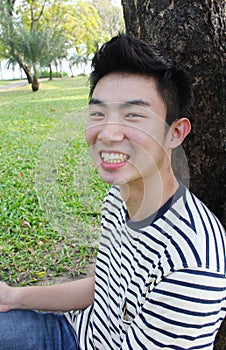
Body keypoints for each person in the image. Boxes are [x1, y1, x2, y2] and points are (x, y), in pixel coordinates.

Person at [0, 34, 225, 350]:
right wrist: (13, 296)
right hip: (72, 333)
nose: (107, 132)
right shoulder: (117, 199)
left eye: (134, 115)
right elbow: (104, 287)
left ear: (175, 133)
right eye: (98, 113)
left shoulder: (191, 261)